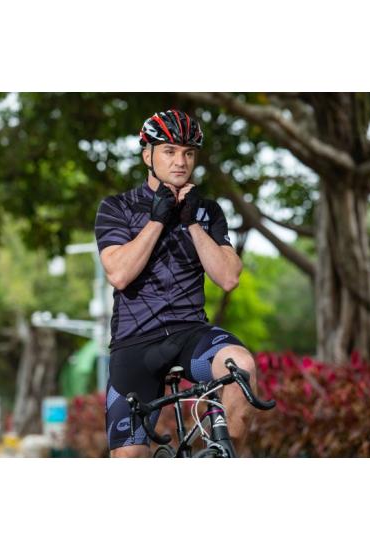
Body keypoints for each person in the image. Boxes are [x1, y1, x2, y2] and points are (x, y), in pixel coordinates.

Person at [94, 109, 257, 458]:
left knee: (241, 367)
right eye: (169, 151)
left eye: (188, 153)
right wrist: (157, 219)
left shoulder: (207, 211)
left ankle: (221, 456)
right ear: (147, 156)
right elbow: (119, 274)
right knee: (129, 458)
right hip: (134, 342)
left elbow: (228, 278)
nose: (181, 162)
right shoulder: (117, 207)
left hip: (190, 335)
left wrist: (192, 223)